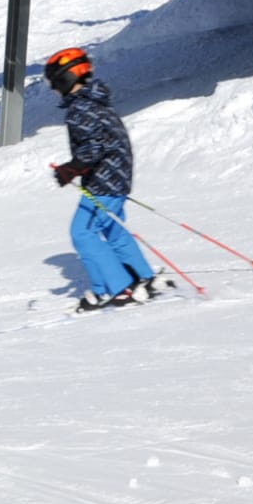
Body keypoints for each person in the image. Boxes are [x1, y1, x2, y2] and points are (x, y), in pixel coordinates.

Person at [46, 48, 169, 312]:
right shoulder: (94, 101)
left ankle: (117, 287)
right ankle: (143, 277)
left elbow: (93, 147)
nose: (53, 90)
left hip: (105, 181)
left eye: (54, 84)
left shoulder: (80, 107)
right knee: (113, 229)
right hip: (115, 178)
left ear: (65, 79)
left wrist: (71, 168)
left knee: (82, 232)